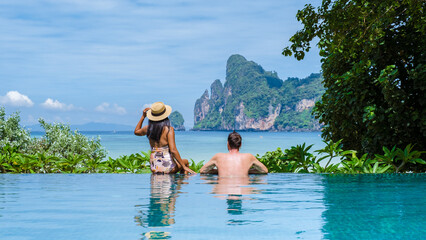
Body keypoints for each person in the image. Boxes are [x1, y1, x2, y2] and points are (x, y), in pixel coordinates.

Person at [134, 102, 195, 174]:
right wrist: (184, 167)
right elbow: (173, 150)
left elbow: (136, 131)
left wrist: (143, 117)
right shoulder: (169, 129)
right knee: (185, 162)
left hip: (154, 168)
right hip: (168, 168)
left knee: (181, 164)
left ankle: (177, 182)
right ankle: (179, 183)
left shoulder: (148, 128)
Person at [200, 131, 268, 177]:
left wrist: (220, 170)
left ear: (228, 143)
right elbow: (264, 170)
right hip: (244, 190)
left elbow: (202, 171)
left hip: (222, 190)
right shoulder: (249, 157)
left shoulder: (218, 156)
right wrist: (246, 170)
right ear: (240, 145)